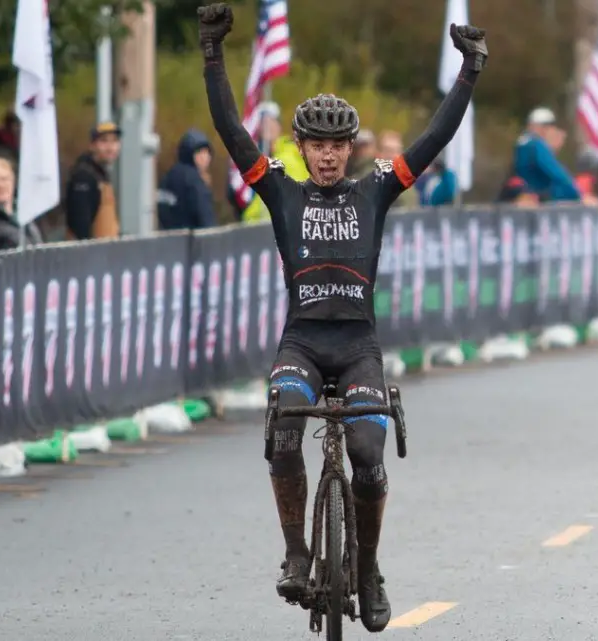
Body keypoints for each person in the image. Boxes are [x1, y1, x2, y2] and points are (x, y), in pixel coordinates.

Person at [198, 3, 486, 631]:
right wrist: (213, 55)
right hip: (302, 342)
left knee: (367, 454)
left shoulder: (377, 188)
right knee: (281, 434)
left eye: (337, 146)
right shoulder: (281, 190)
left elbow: (432, 141)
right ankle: (297, 553)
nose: (327, 157)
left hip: (358, 348)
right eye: (316, 146)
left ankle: (368, 568)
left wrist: (468, 72)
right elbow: (230, 129)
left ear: (350, 149)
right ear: (300, 148)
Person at [64, 122, 122, 239]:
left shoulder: (100, 174)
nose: (110, 148)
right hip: (91, 254)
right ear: (92, 146)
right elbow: (80, 225)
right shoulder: (83, 176)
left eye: (114, 141)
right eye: (104, 141)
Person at [157, 128, 218, 230]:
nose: (205, 158)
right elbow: (205, 216)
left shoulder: (168, 176)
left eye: (207, 152)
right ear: (189, 153)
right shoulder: (194, 180)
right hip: (192, 241)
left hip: (167, 239)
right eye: (199, 152)